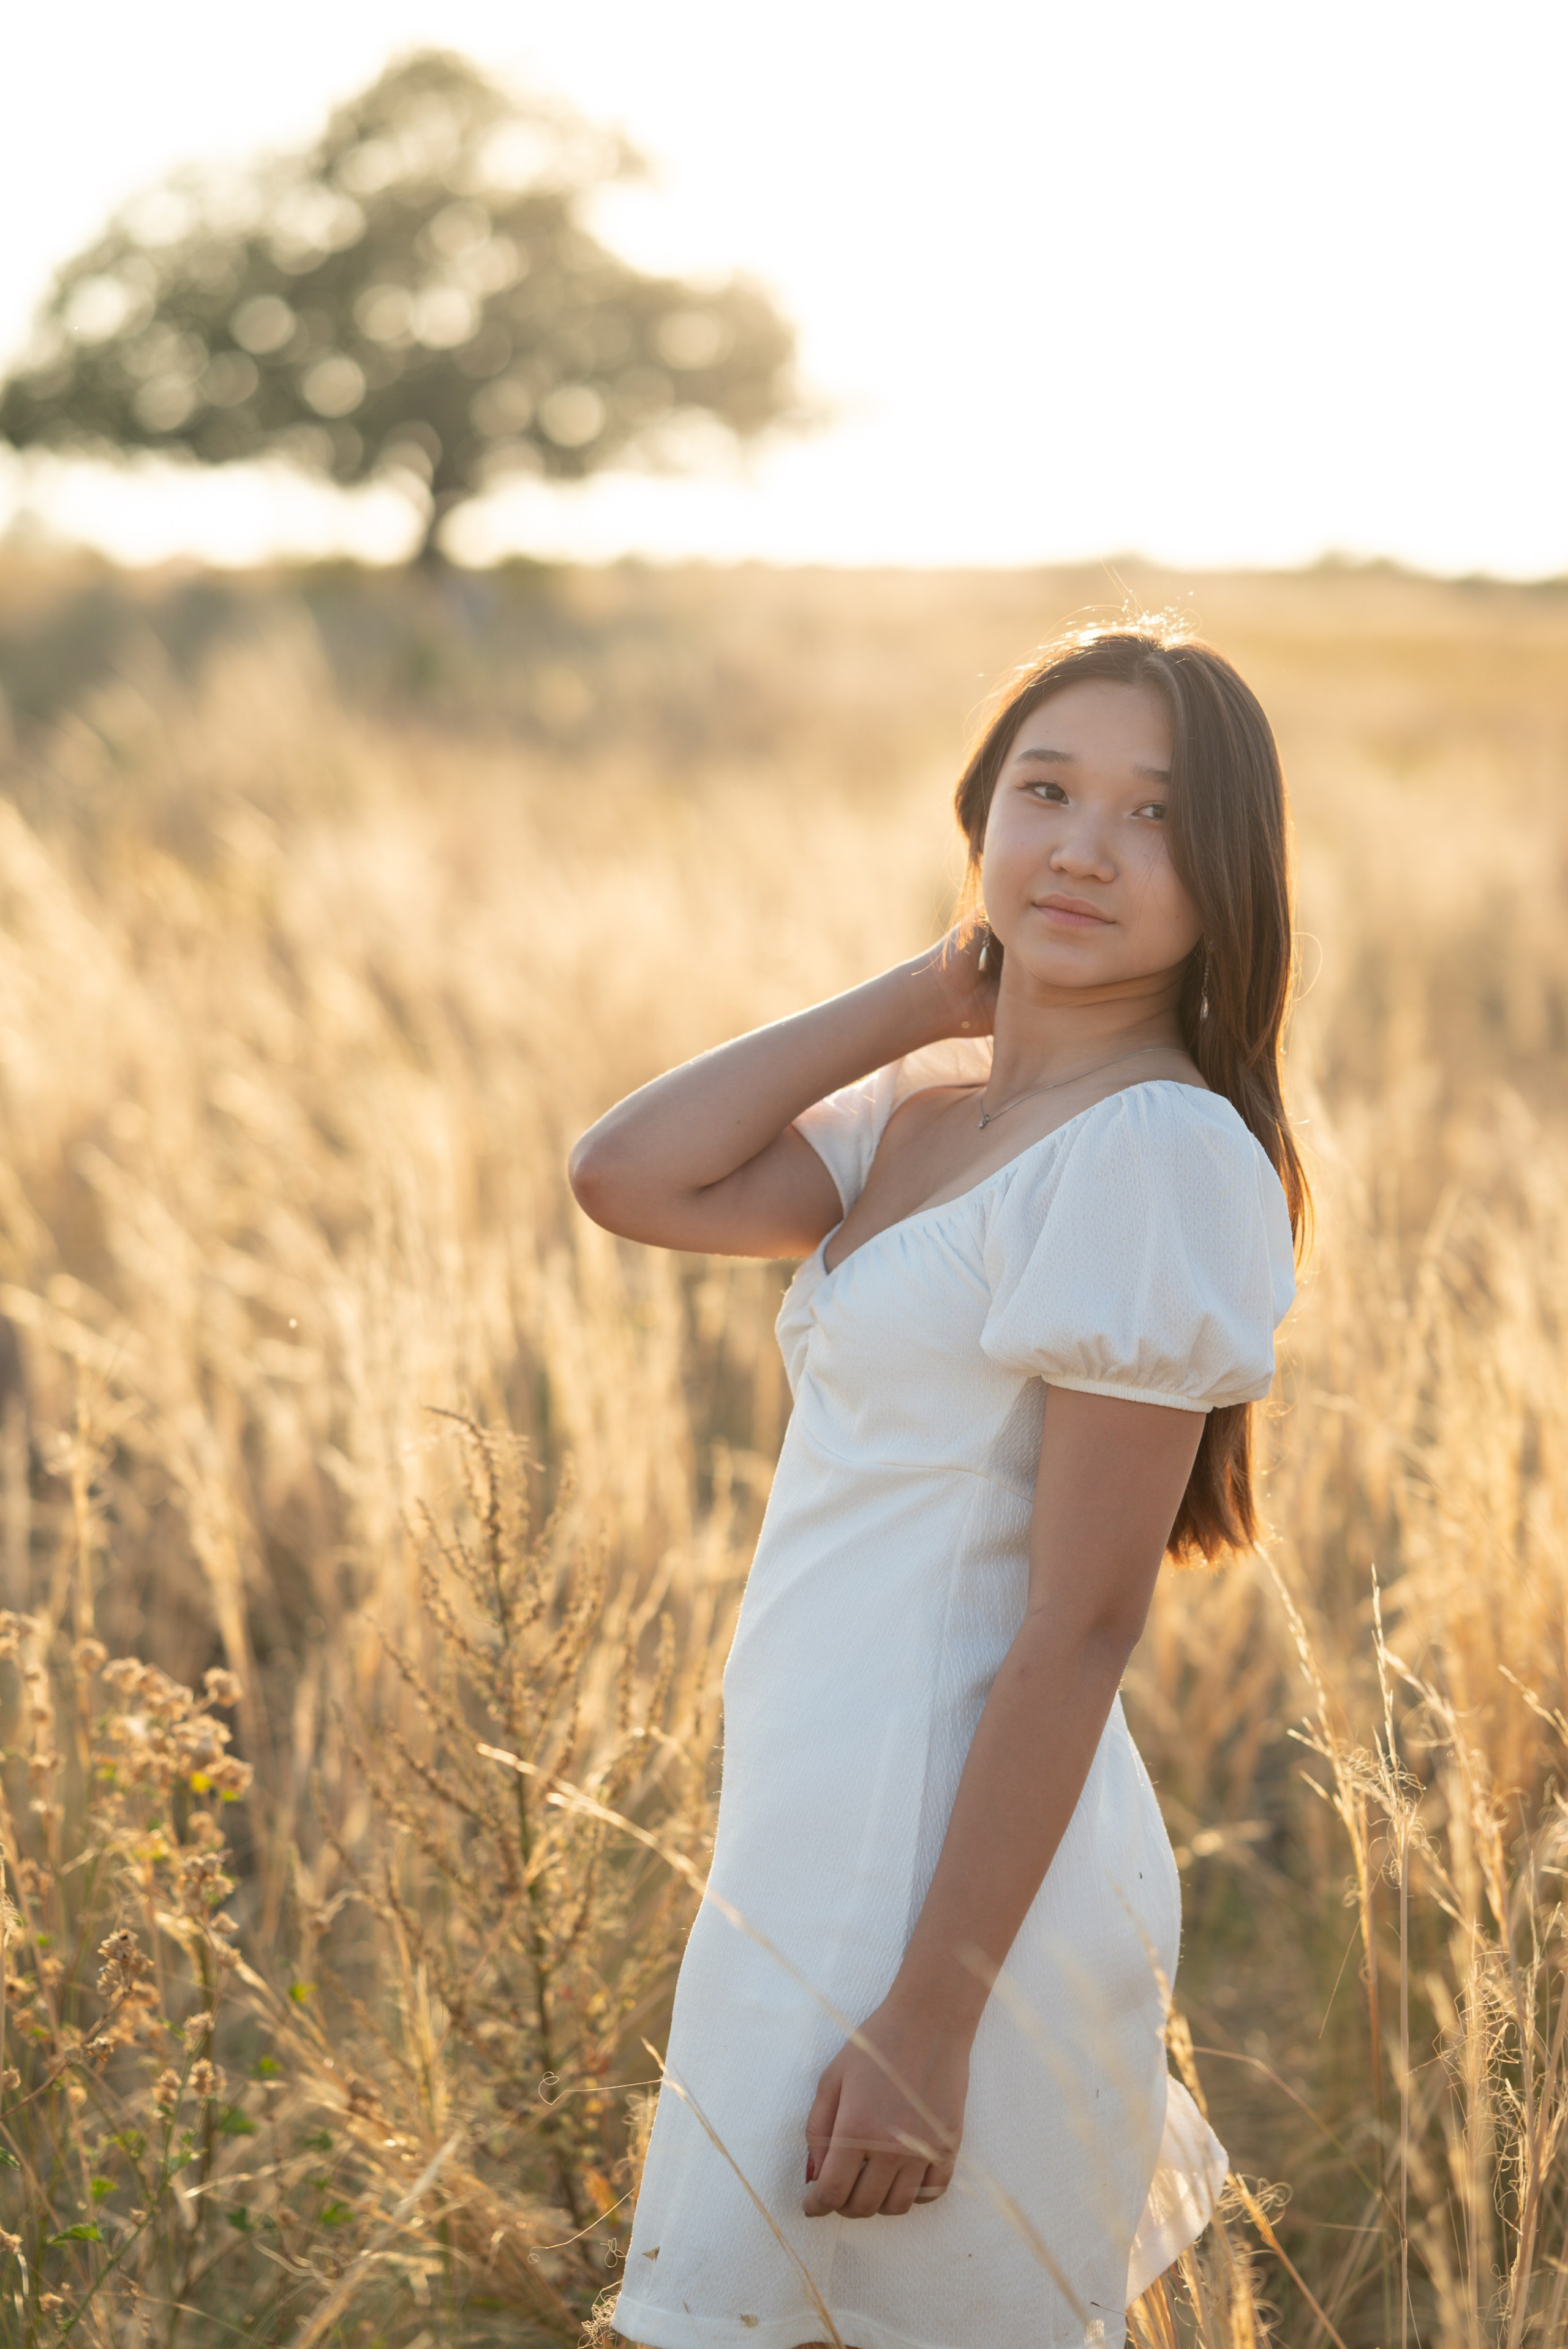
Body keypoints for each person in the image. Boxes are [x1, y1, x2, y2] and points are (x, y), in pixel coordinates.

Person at [570, 622, 1308, 2349]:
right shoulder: (927, 1104)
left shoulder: (1159, 1151)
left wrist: (934, 2014)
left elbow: (1084, 1621)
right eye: (1045, 792)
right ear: (976, 818)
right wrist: (921, 992)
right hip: (815, 1819)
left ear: (1229, 877)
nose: (1084, 847)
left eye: (1156, 814)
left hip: (951, 1881)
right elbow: (627, 1172)